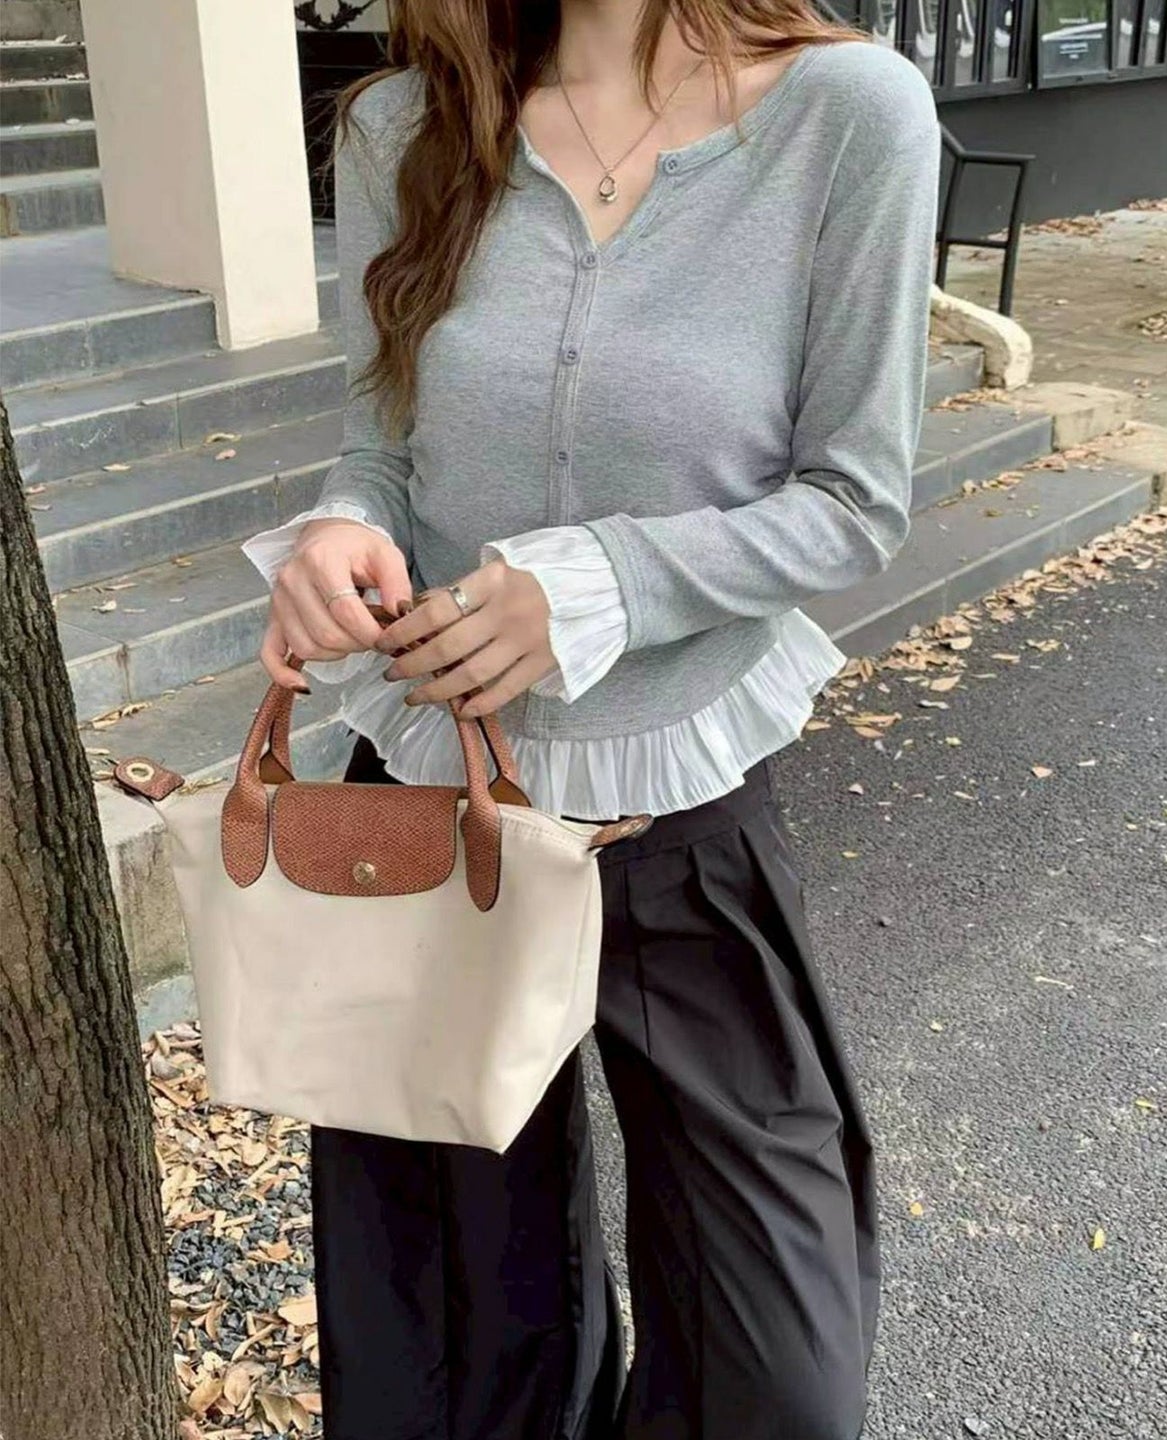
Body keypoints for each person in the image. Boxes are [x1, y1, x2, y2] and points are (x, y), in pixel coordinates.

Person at [242, 1, 940, 1435]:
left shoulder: (847, 115)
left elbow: (855, 502)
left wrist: (605, 583)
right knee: (449, 1344)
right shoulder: (403, 125)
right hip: (431, 801)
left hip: (677, 812)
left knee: (776, 1373)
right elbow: (384, 447)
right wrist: (339, 528)